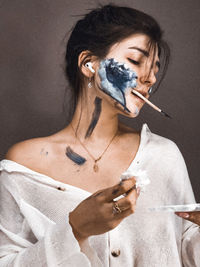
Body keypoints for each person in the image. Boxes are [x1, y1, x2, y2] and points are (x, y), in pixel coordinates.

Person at [0, 4, 200, 267]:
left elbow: (188, 254)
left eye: (154, 68)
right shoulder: (24, 165)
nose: (150, 78)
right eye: (136, 61)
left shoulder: (164, 156)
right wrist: (76, 228)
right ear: (89, 64)